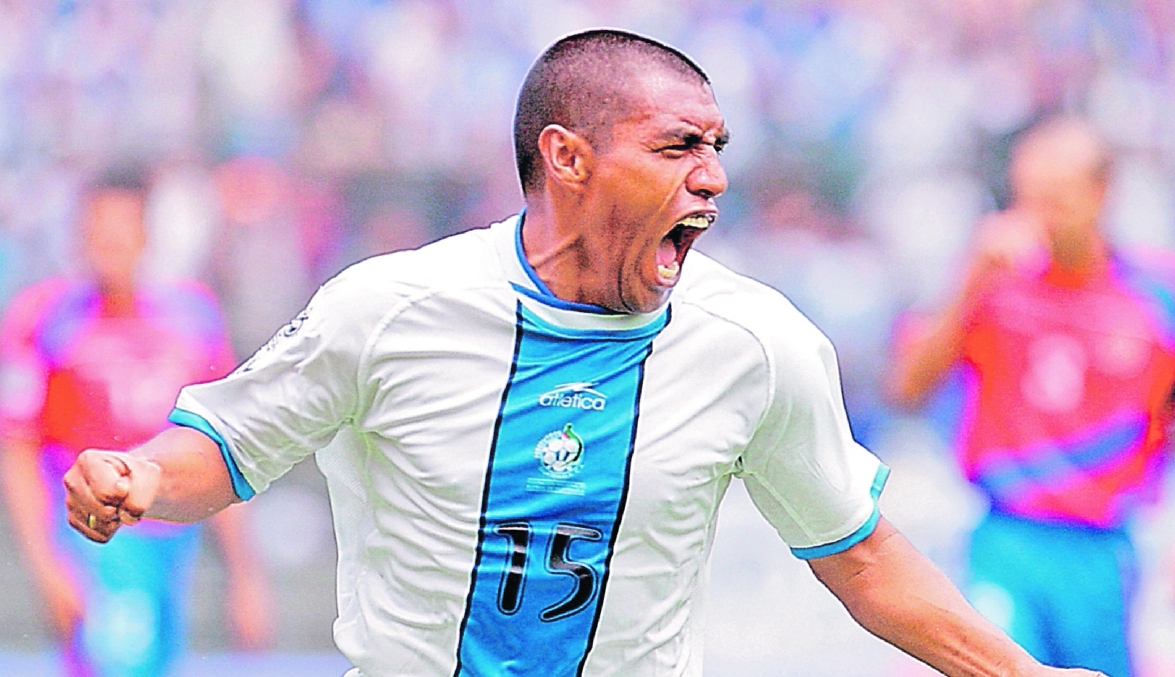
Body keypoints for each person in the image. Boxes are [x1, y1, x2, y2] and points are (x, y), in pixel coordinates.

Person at [63, 31, 1100, 677]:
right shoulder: (390, 306)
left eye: (717, 149)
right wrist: (144, 473)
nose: (711, 179)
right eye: (675, 146)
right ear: (565, 157)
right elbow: (229, 445)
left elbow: (861, 554)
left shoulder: (758, 344)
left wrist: (1012, 672)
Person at [886, 115, 1175, 676]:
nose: (1038, 215)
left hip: (1105, 549)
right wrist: (970, 278)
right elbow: (907, 388)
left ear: (1101, 192)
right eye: (1028, 198)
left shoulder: (1154, 296)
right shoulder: (994, 283)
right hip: (1007, 537)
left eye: (1056, 198)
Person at [0, 166, 271, 677]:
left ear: (146, 235)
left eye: (123, 231)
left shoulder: (193, 316)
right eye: (99, 231)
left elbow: (221, 445)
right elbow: (16, 449)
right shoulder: (44, 317)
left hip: (172, 538)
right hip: (93, 542)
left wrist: (244, 573)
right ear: (81, 235)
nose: (111, 245)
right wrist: (48, 569)